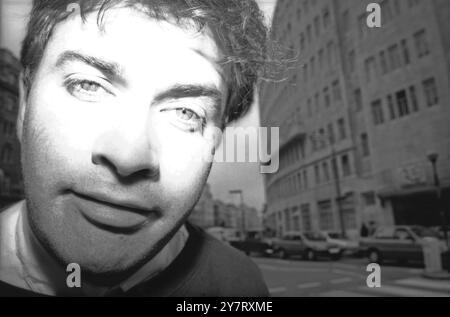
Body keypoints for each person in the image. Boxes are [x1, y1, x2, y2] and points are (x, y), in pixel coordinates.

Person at [0, 0, 270, 297]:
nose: (128, 157)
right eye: (88, 85)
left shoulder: (238, 286)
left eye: (186, 112)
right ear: (24, 103)